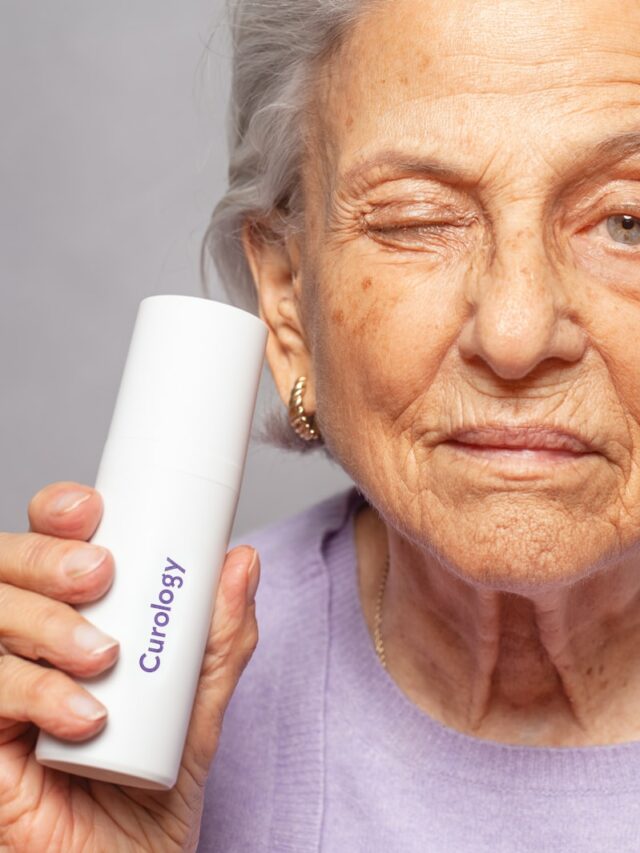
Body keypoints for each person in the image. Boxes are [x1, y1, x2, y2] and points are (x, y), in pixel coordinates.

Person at [3, 0, 640, 849]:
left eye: (629, 223)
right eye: (417, 221)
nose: (516, 333)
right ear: (287, 304)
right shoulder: (146, 700)